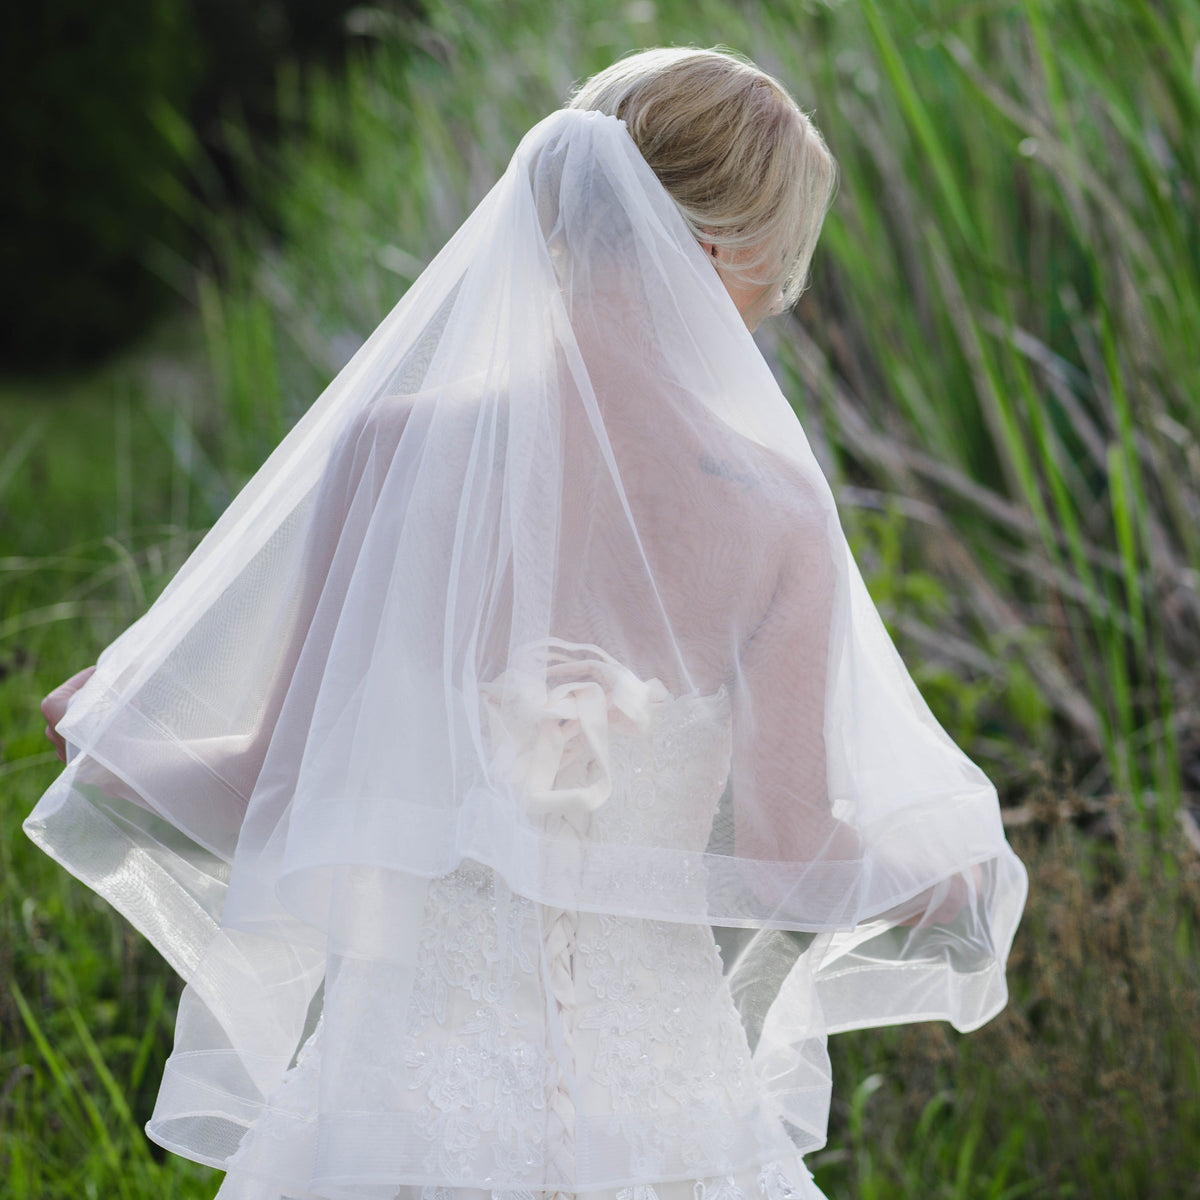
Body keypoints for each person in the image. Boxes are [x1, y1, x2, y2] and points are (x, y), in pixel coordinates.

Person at [29, 47, 1027, 1200]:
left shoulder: (392, 452)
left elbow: (272, 793)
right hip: (663, 1120)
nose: (768, 313)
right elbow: (796, 860)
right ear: (718, 256)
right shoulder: (773, 514)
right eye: (774, 276)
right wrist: (945, 874)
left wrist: (112, 753)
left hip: (399, 1108)